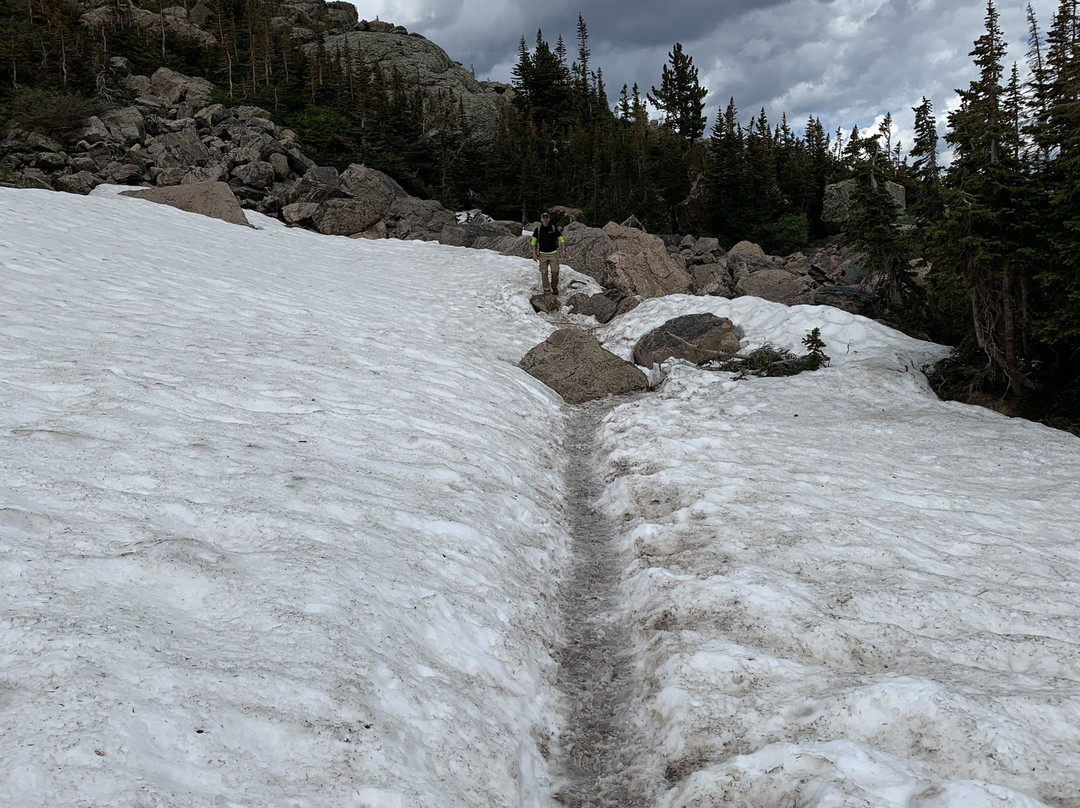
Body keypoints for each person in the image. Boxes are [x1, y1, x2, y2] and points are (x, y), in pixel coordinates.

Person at [531, 212, 567, 295]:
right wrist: (534, 254)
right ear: (541, 219)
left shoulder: (553, 228)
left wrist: (563, 249)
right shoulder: (538, 229)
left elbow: (561, 239)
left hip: (553, 254)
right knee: (544, 272)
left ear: (549, 219)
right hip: (542, 254)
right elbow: (533, 243)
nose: (545, 219)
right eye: (543, 218)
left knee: (555, 271)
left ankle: (554, 287)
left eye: (546, 218)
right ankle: (546, 289)